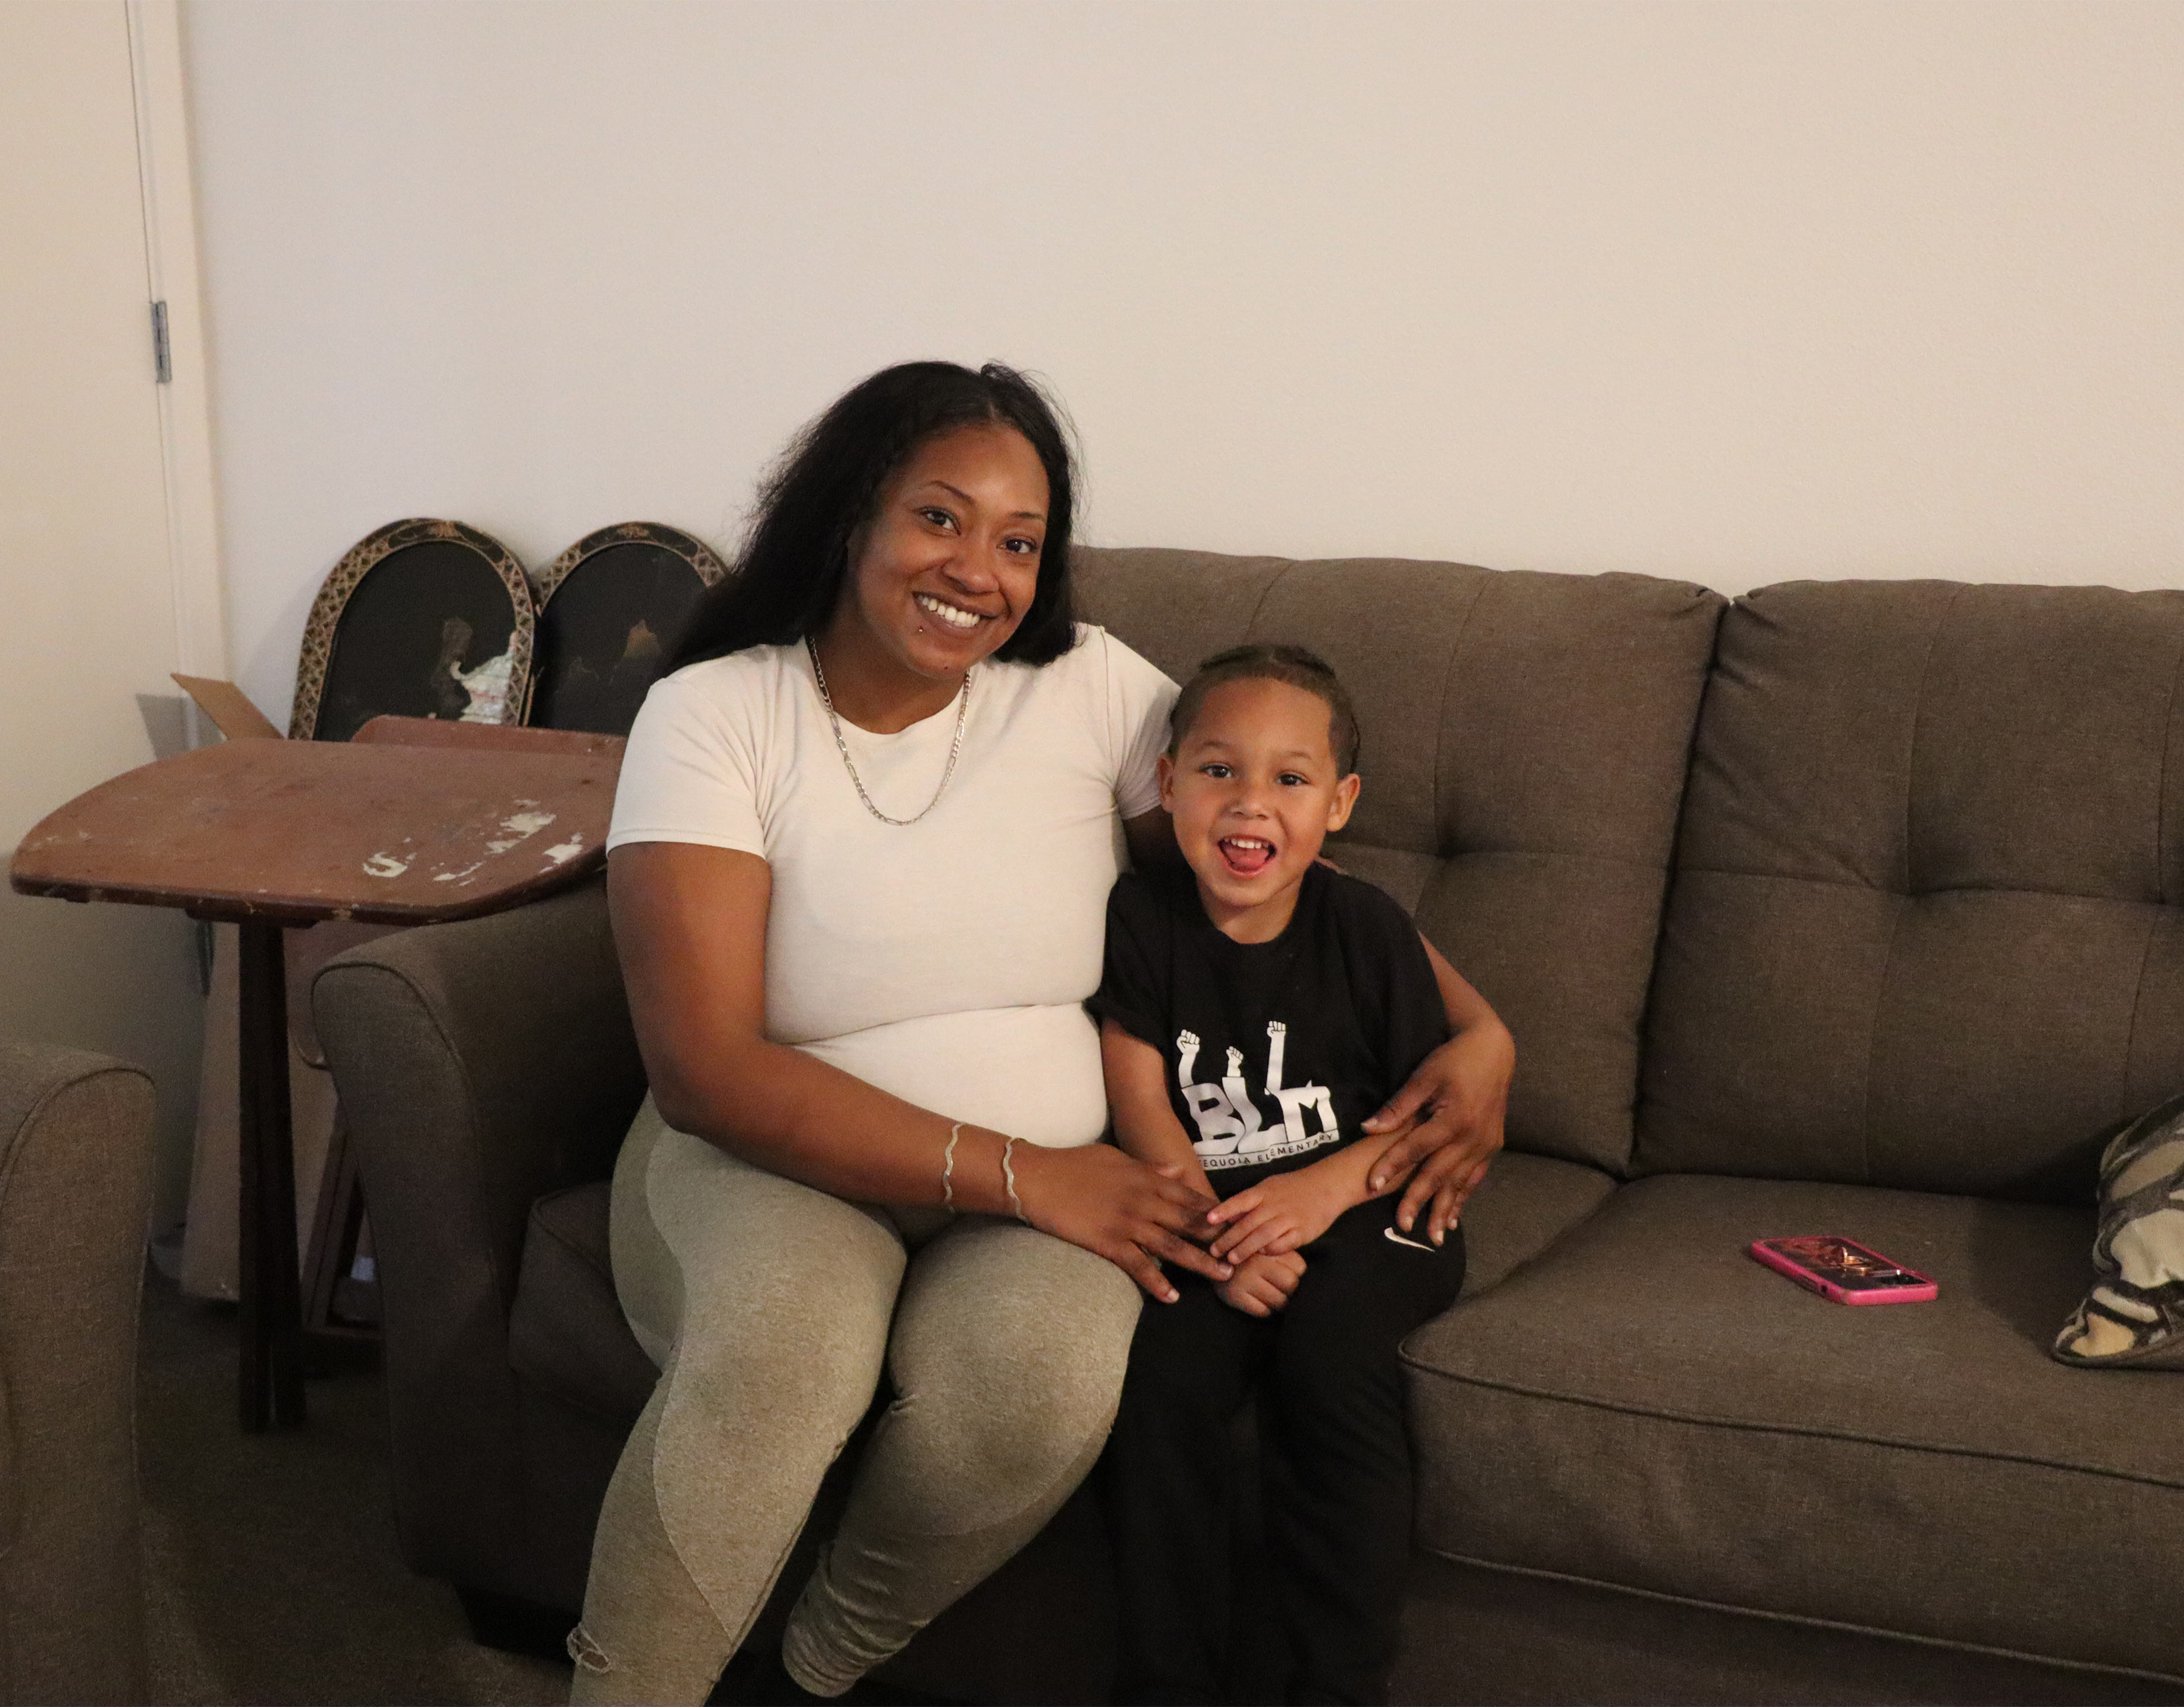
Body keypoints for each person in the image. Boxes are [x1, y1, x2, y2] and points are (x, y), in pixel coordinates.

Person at [575, 361, 1513, 1704]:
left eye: (1020, 542)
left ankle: (815, 1670)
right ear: (851, 512)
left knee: (1051, 1381)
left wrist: (1480, 1035)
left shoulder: (1086, 687)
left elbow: (1260, 859)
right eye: (939, 518)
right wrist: (1029, 1173)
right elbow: (706, 1071)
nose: (979, 572)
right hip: (777, 1162)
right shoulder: (720, 712)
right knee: (791, 1356)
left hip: (1048, 1194)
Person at [1092, 645, 1462, 1706]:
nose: (1250, 803)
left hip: (1370, 1202)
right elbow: (1140, 1101)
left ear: (1339, 804)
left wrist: (1319, 1196)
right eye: (1219, 770)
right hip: (1208, 1211)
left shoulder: (1368, 929)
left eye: (1290, 779)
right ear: (1168, 783)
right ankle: (1166, 1685)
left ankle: (1336, 1686)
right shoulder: (1140, 918)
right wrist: (1220, 1241)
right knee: (1161, 1378)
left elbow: (1423, 1117)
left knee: (1332, 1357)